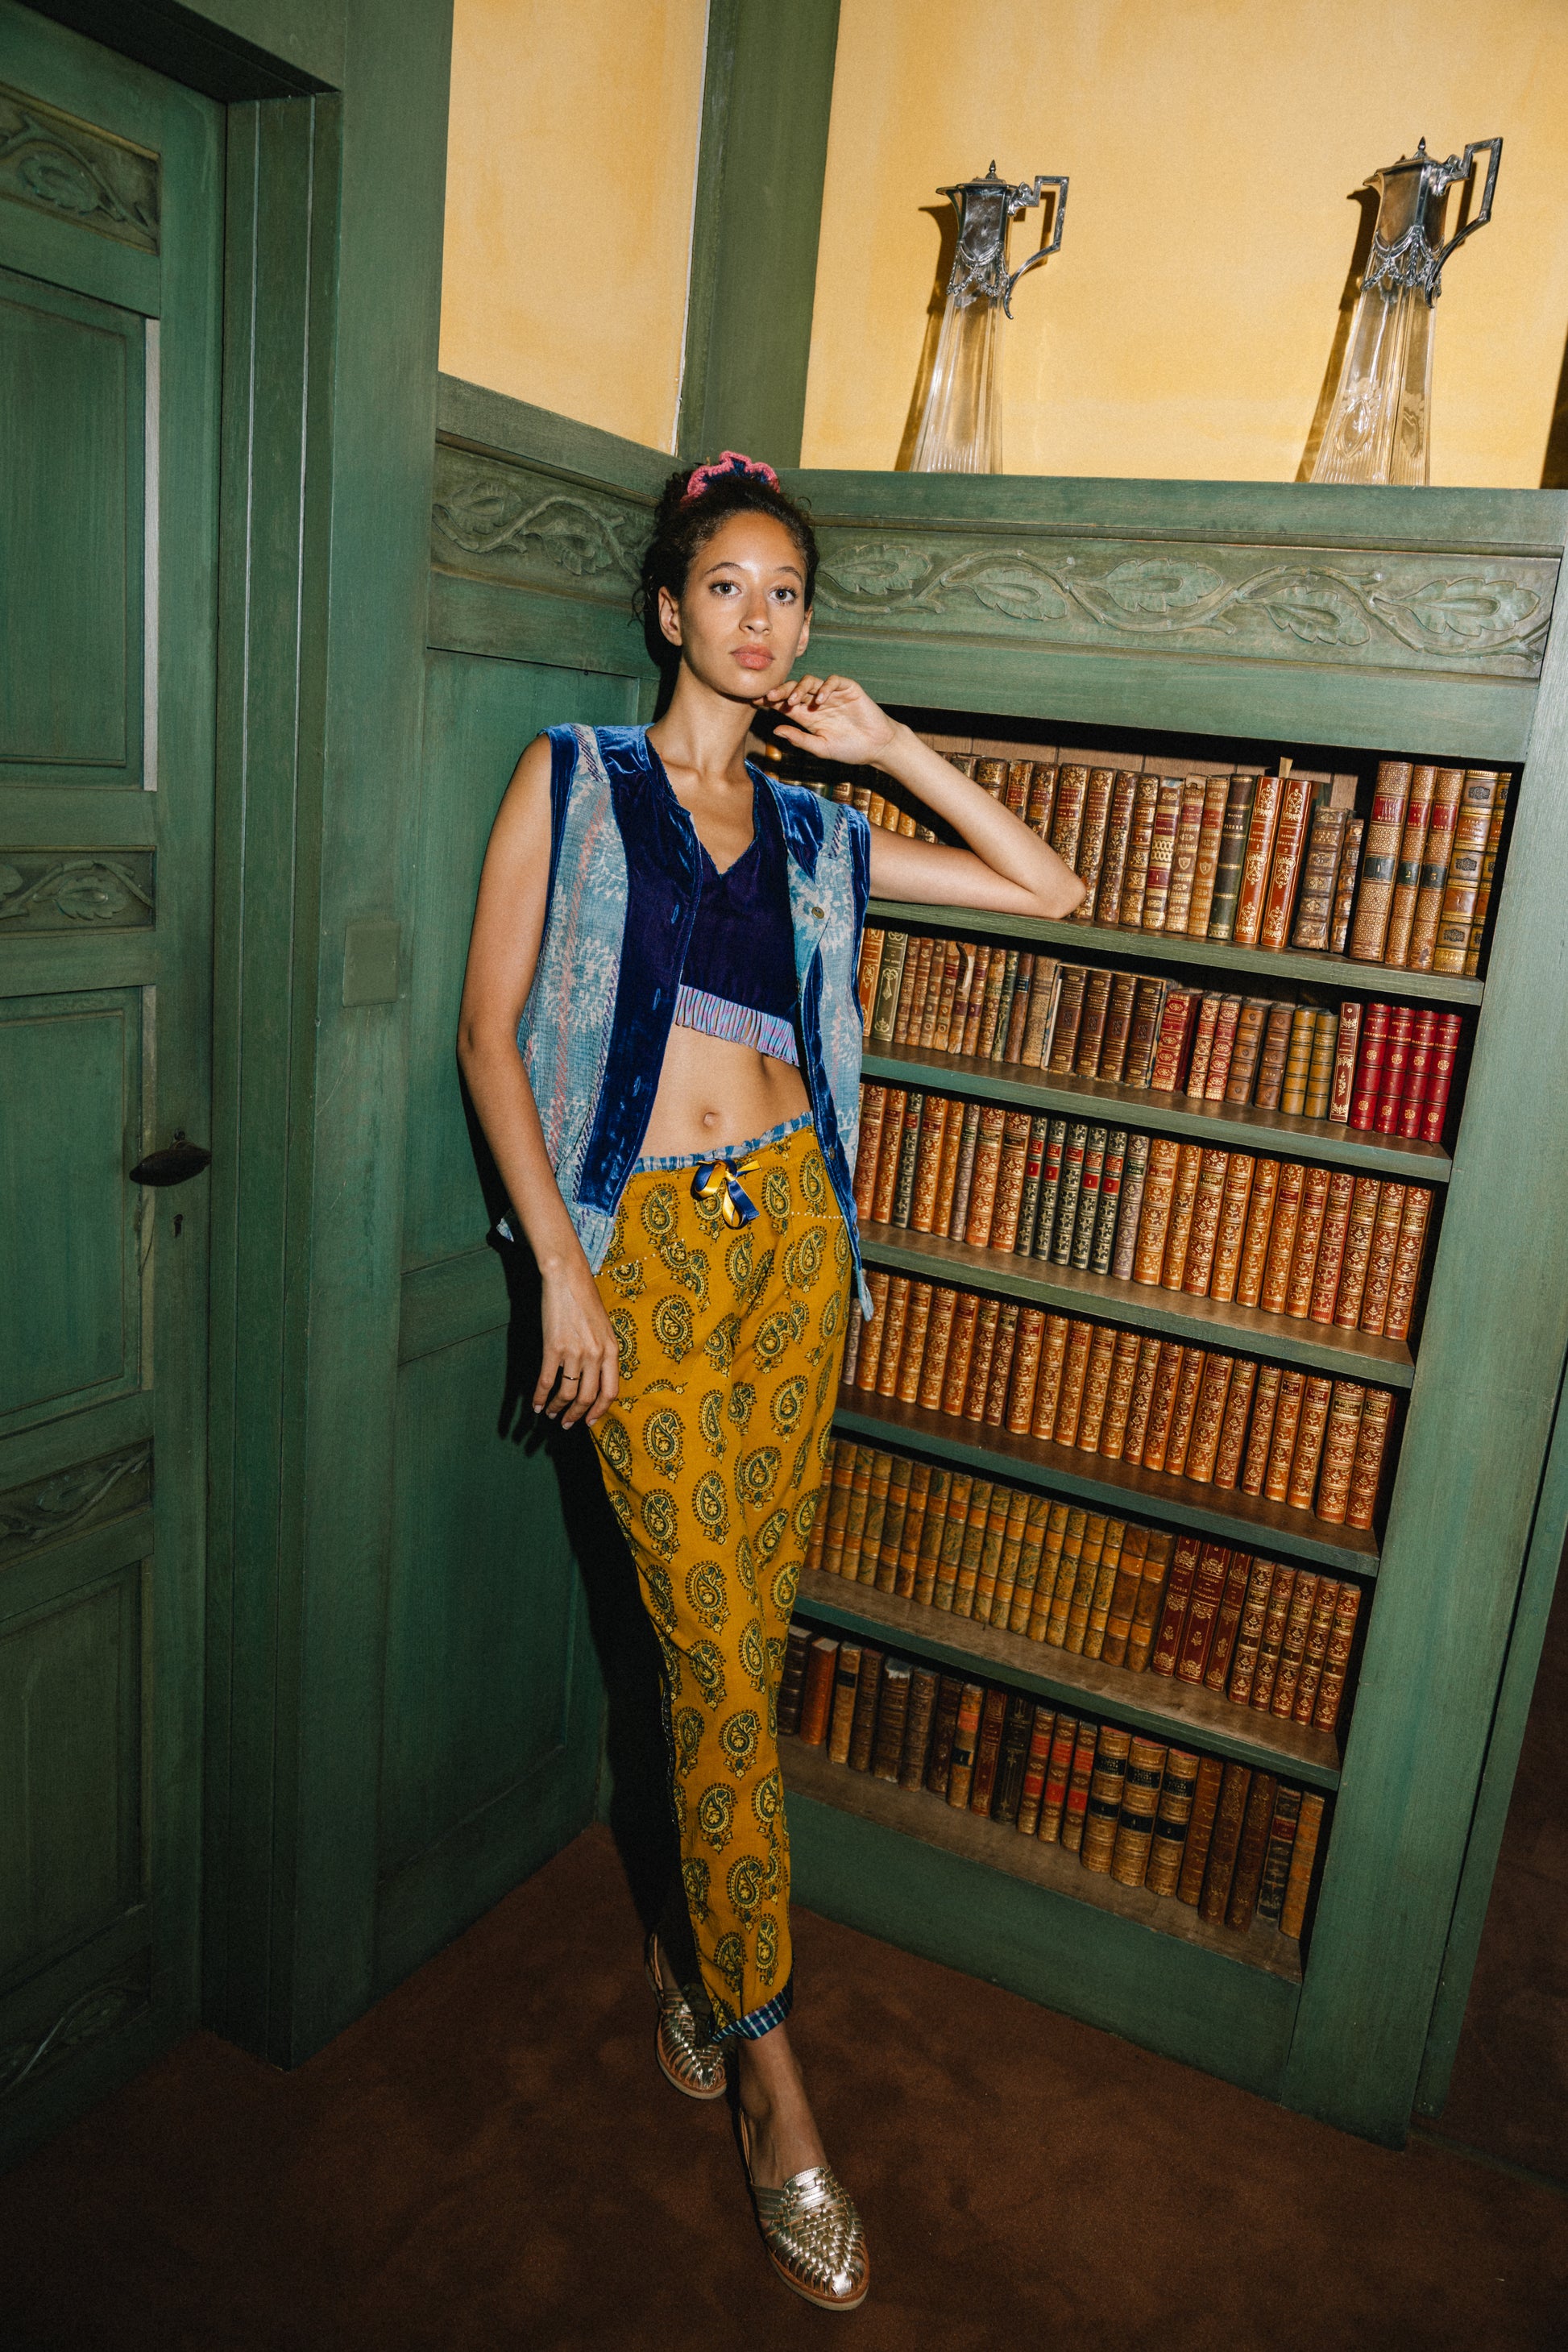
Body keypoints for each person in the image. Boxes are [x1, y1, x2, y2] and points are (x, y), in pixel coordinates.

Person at [458, 450, 1085, 2311]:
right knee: (720, 1666)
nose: (758, 617)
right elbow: (488, 1034)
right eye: (726, 585)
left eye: (786, 592)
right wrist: (562, 1270)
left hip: (796, 1250)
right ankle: (772, 2080)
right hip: (639, 1260)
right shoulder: (575, 777)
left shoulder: (818, 829)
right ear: (669, 608)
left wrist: (886, 746)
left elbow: (1048, 888)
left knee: (739, 1640)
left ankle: (693, 1951)